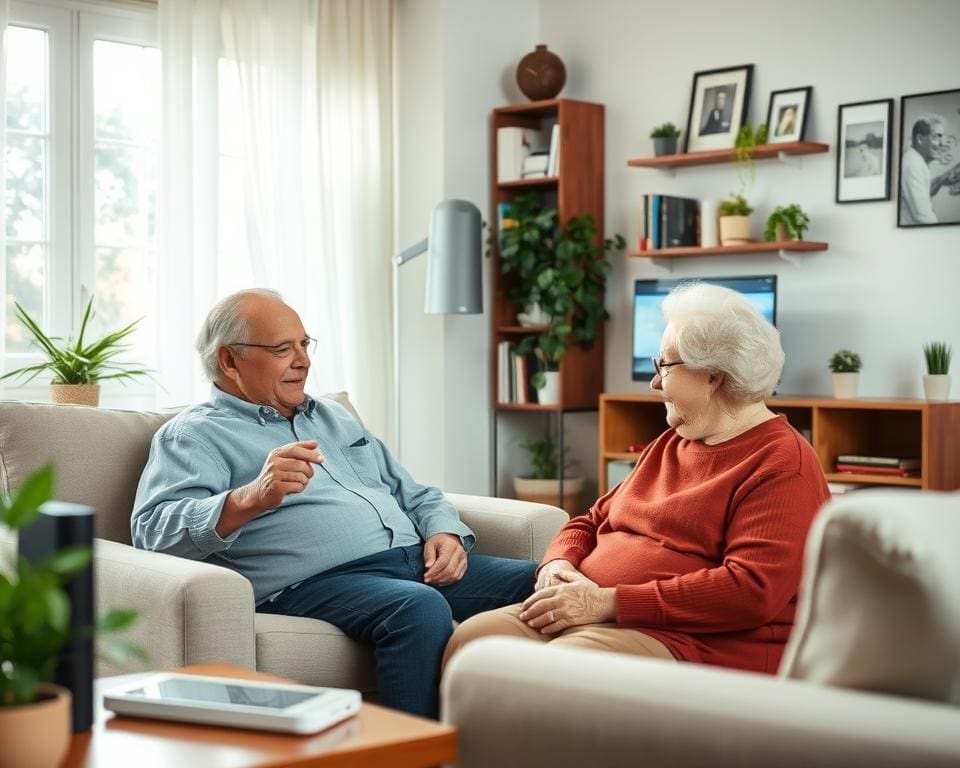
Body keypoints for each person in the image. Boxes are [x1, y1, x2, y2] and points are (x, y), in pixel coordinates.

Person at [132, 288, 536, 719]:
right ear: (230, 360)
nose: (303, 360)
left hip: (412, 560)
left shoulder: (332, 416)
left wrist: (444, 530)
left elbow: (412, 491)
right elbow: (152, 532)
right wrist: (253, 496)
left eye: (305, 345)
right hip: (311, 583)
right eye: (283, 349)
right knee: (416, 607)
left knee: (546, 581)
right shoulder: (193, 435)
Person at [444, 283, 830, 677]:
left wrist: (608, 603)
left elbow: (751, 591)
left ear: (713, 376)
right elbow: (591, 520)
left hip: (694, 639)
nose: (655, 382)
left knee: (556, 668)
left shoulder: (781, 464)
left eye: (665, 365)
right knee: (474, 640)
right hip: (601, 612)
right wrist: (557, 563)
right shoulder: (671, 443)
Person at [900, 113, 960, 224]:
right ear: (919, 139)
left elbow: (923, 193)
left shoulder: (915, 160)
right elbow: (923, 217)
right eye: (936, 137)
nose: (942, 144)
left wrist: (941, 180)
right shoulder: (913, 165)